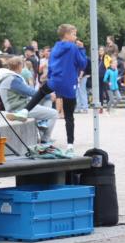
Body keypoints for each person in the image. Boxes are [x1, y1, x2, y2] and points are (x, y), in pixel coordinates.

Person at [17, 25, 87, 156]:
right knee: (69, 117)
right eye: (73, 34)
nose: (75, 37)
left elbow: (52, 64)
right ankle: (70, 146)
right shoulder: (73, 47)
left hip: (55, 80)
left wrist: (50, 78)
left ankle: (25, 110)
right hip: (68, 82)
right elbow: (82, 64)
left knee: (42, 92)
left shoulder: (55, 48)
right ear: (66, 35)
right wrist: (82, 49)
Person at [0, 56, 57, 143]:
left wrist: (47, 96)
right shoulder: (13, 79)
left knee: (47, 100)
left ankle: (42, 123)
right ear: (20, 66)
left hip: (16, 106)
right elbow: (31, 92)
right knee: (54, 113)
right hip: (19, 108)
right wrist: (49, 95)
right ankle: (45, 139)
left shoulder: (7, 77)